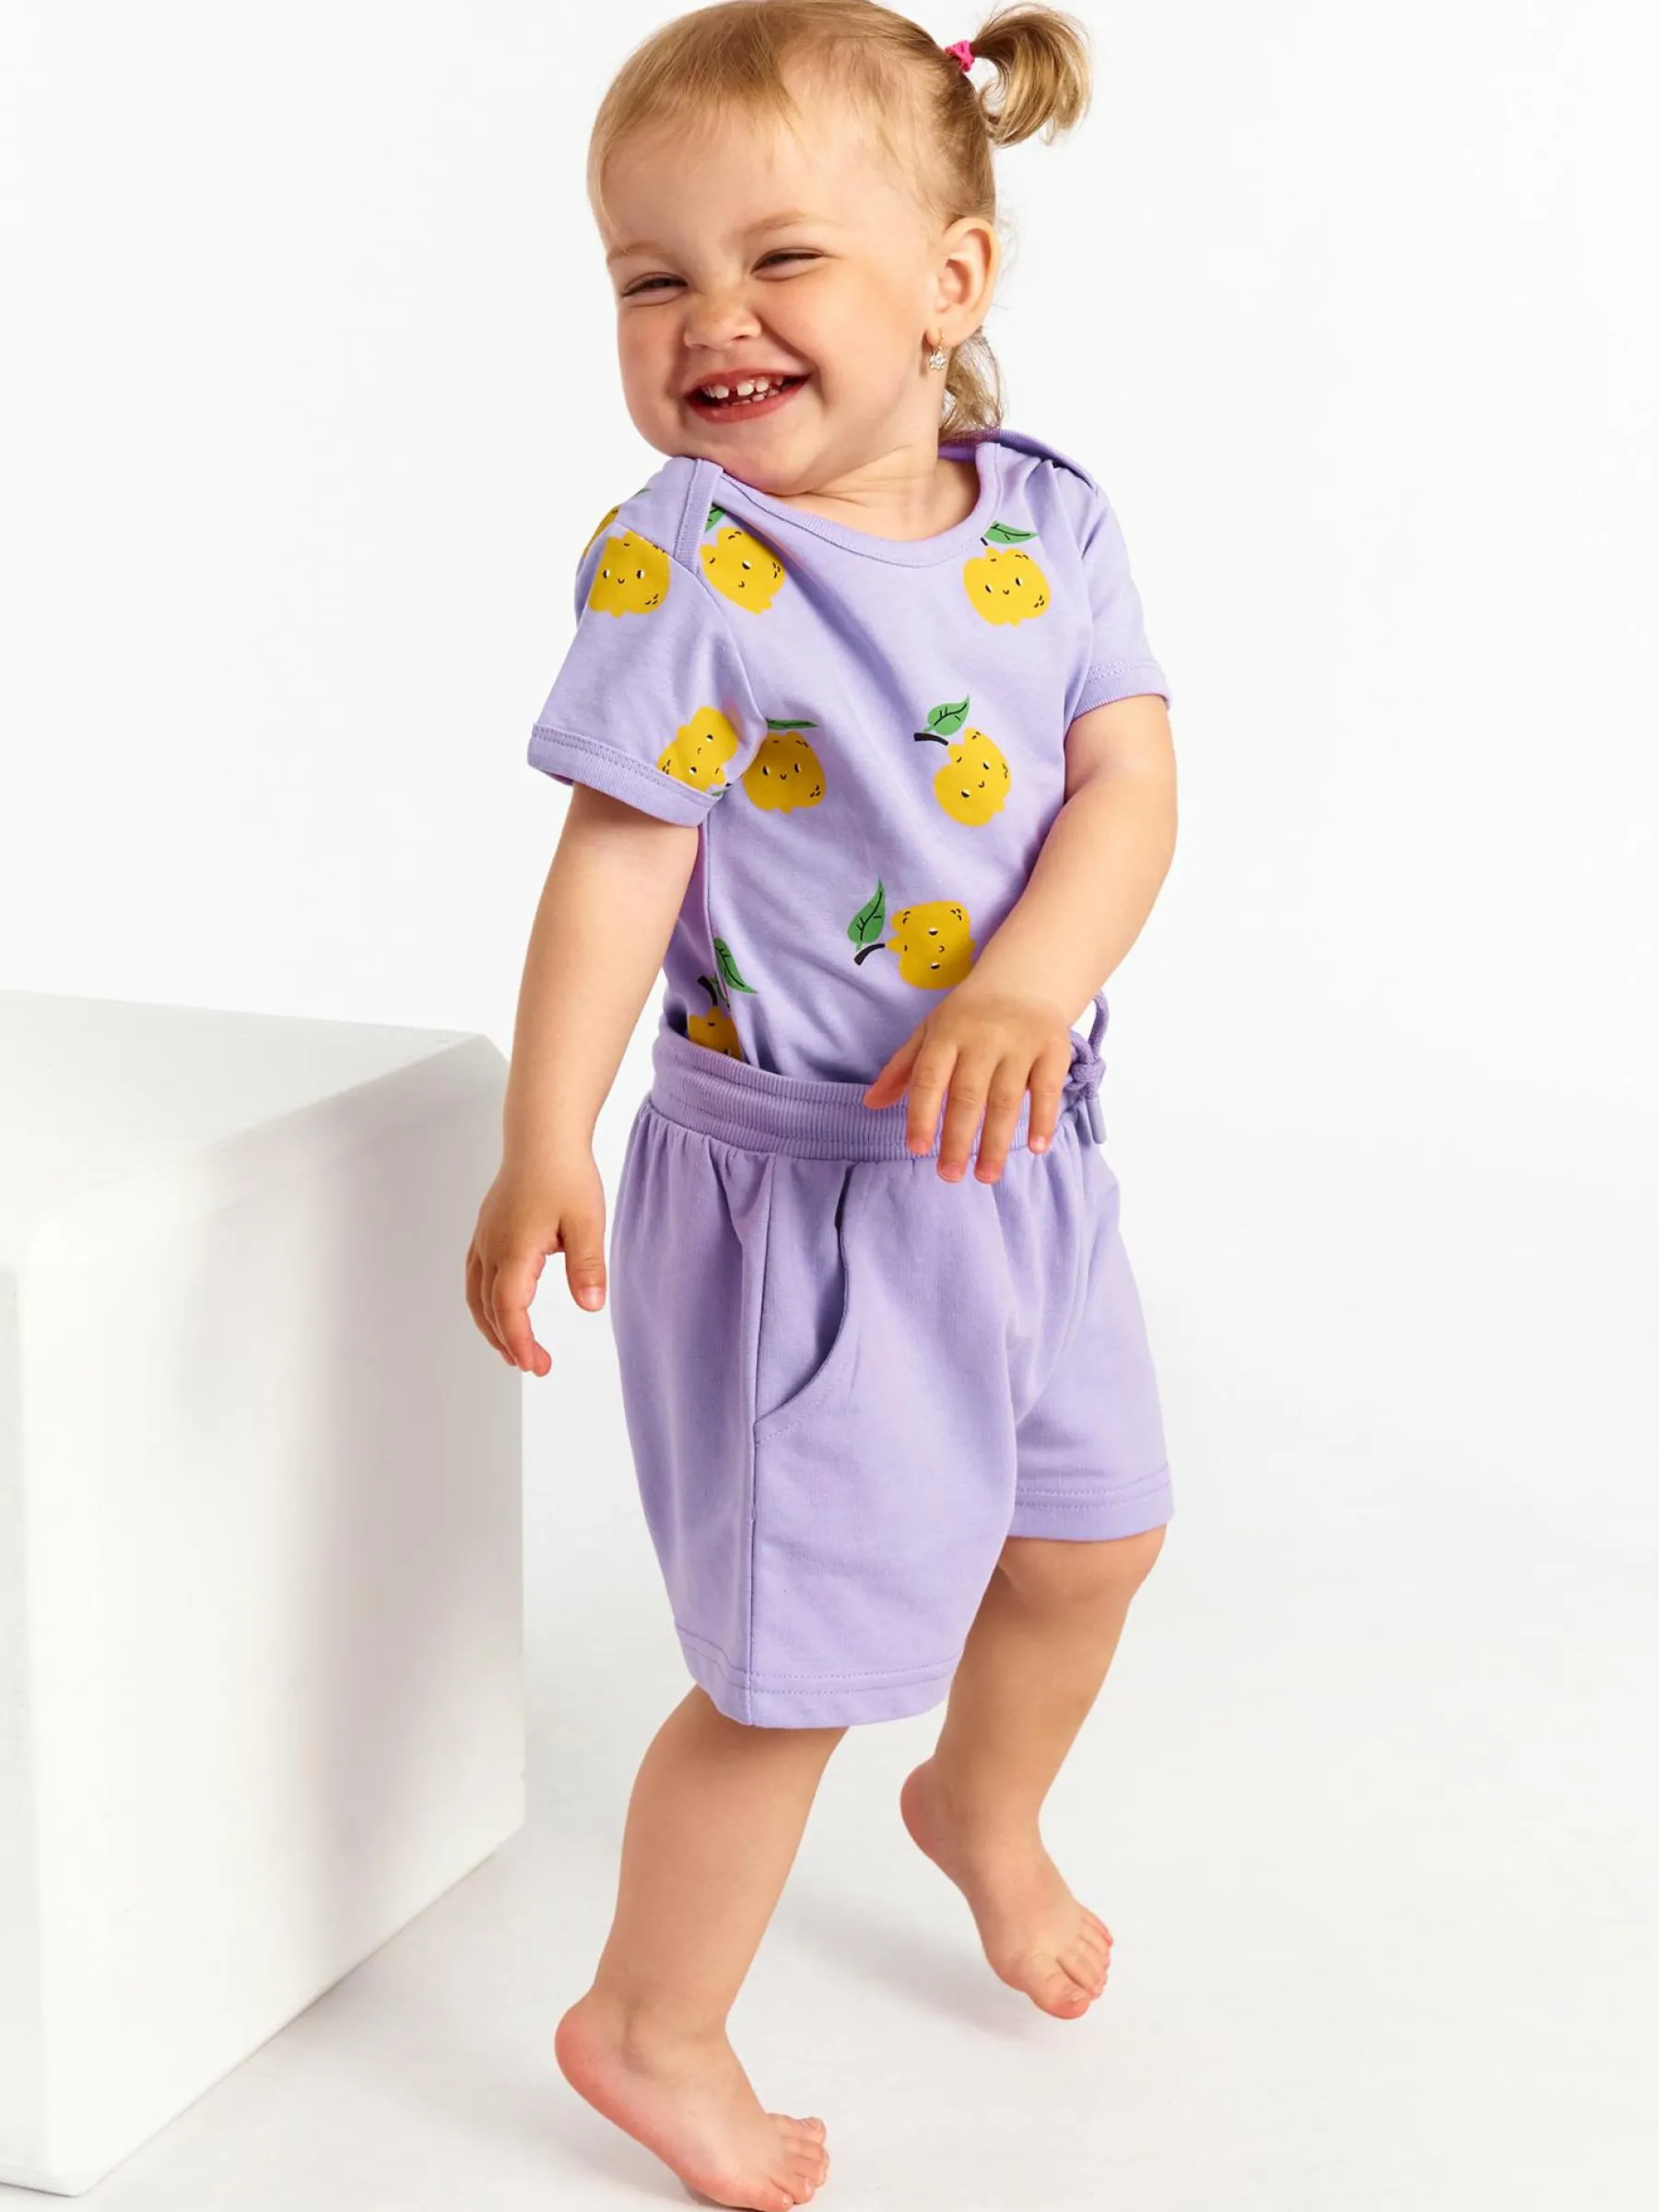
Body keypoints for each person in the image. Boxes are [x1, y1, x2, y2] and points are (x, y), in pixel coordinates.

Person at [465, 5, 1177, 2205]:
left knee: (1092, 1537)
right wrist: (546, 1132)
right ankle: (649, 2024)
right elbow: (620, 863)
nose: (713, 319)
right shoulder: (691, 562)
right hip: (809, 1211)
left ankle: (981, 1807)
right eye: (651, 276)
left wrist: (1032, 983)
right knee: (792, 1677)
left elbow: (1128, 781)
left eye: (781, 260)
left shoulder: (1047, 518)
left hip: (1026, 1166)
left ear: (952, 282)